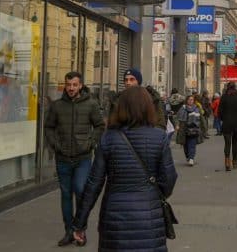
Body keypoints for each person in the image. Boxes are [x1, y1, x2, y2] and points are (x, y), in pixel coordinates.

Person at [71, 87, 177, 249]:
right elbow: (169, 179)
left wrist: (80, 223)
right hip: (149, 217)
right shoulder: (159, 137)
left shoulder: (109, 138)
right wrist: (154, 193)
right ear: (148, 107)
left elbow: (93, 184)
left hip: (115, 218)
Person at [44, 71, 105, 247]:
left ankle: (80, 229)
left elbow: (100, 126)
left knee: (80, 190)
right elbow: (48, 127)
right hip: (62, 157)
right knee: (65, 195)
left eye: (74, 85)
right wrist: (55, 145)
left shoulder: (91, 104)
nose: (71, 88)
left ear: (80, 85)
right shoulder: (57, 106)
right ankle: (69, 231)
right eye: (68, 85)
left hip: (83, 157)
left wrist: (90, 143)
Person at [218, 82, 237, 171]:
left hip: (227, 123)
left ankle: (227, 163)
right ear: (235, 87)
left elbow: (220, 111)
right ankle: (234, 162)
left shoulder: (224, 97)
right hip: (236, 123)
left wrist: (223, 119)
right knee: (235, 143)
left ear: (227, 87)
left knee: (227, 143)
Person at [176, 95, 203, 166]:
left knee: (192, 144)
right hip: (184, 129)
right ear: (186, 100)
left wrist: (203, 128)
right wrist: (177, 125)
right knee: (185, 145)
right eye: (189, 99)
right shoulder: (183, 108)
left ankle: (191, 158)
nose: (191, 101)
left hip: (194, 129)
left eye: (192, 100)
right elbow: (178, 117)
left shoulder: (197, 108)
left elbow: (201, 118)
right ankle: (188, 157)